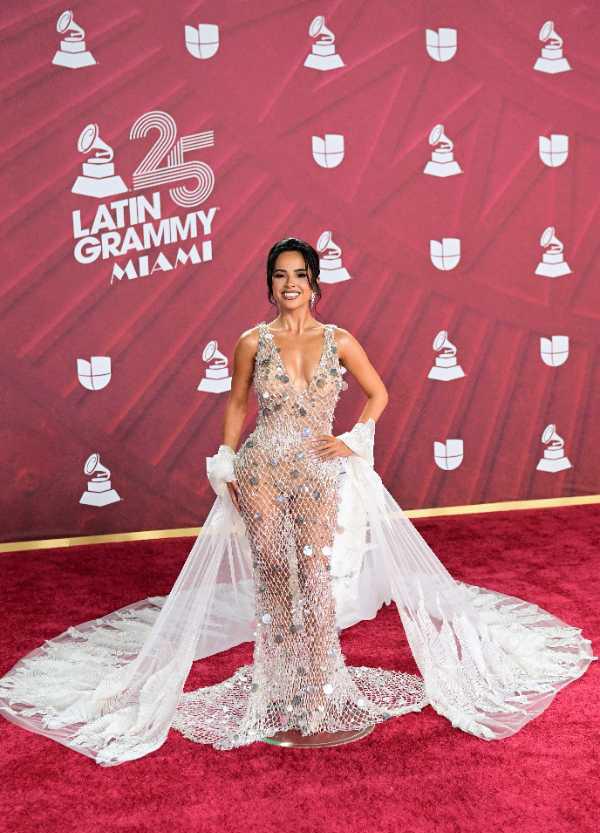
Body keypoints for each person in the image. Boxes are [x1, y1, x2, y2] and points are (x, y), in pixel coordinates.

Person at [0, 238, 595, 766]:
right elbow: (237, 404)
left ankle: (319, 686)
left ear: (315, 283)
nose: (290, 285)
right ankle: (279, 687)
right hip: (260, 467)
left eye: (300, 275)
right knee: (274, 572)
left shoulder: (339, 340)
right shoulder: (251, 342)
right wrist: (225, 459)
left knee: (312, 574)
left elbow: (380, 393)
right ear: (270, 284)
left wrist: (353, 439)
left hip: (317, 471)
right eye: (280, 275)